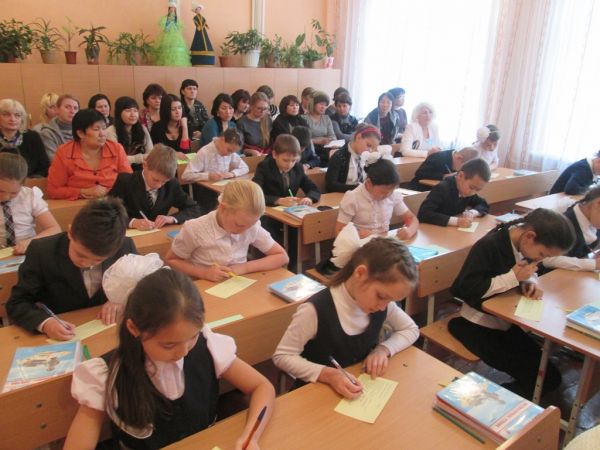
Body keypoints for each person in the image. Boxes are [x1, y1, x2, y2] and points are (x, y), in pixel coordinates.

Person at [64, 268, 274, 449]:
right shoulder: (107, 375)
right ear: (133, 328)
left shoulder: (208, 346)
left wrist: (251, 436)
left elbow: (262, 387)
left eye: (192, 337)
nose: (183, 352)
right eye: (169, 345)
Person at [449, 208, 575, 398]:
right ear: (529, 236)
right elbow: (467, 289)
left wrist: (528, 282)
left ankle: (514, 396)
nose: (540, 259)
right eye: (542, 254)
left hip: (504, 322)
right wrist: (513, 278)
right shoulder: (489, 246)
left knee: (549, 378)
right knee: (540, 381)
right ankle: (493, 402)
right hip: (475, 324)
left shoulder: (523, 244)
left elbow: (527, 270)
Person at [273, 237, 419, 398]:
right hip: (314, 394)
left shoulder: (382, 305)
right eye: (381, 296)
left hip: (356, 391)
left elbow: (411, 329)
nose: (383, 307)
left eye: (390, 301)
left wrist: (383, 350)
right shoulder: (315, 310)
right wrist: (328, 374)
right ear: (360, 274)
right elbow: (282, 356)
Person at [6, 197, 137, 340]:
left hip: (106, 331)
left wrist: (121, 299)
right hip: (60, 334)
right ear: (70, 232)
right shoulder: (42, 251)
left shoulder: (125, 247)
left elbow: (140, 287)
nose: (87, 264)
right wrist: (45, 323)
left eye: (98, 260)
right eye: (80, 254)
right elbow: (18, 302)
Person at [165, 179, 288, 281]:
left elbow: (282, 256)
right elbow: (171, 260)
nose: (244, 231)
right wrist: (204, 273)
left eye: (250, 226)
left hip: (236, 286)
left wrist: (244, 268)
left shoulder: (250, 225)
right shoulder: (195, 228)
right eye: (238, 225)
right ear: (223, 208)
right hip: (203, 287)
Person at [109, 144, 201, 230]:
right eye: (155, 180)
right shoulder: (125, 181)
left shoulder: (171, 184)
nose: (159, 185)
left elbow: (193, 208)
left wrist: (172, 218)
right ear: (145, 165)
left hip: (156, 235)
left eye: (164, 182)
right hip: (128, 236)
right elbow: (107, 213)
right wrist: (132, 222)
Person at [47, 109, 132, 200]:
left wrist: (110, 192)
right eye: (96, 129)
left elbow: (129, 183)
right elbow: (53, 190)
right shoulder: (64, 152)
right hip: (77, 205)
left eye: (104, 128)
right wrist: (82, 191)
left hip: (113, 202)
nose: (102, 134)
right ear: (80, 133)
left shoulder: (116, 149)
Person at [336, 158, 419, 240]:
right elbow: (339, 231)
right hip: (359, 245)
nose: (387, 195)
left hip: (382, 243)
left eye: (391, 191)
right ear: (369, 183)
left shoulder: (392, 195)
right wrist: (357, 235)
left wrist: (409, 231)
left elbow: (411, 218)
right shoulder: (353, 197)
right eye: (383, 192)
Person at [0, 153, 60, 255]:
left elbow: (54, 229)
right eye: (0, 191)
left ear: (23, 184)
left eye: (14, 193)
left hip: (27, 252)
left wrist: (30, 242)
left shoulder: (29, 196)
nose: (5, 197)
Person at [182, 128, 247, 213]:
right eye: (229, 150)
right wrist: (208, 176)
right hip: (206, 193)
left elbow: (245, 168)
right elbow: (186, 175)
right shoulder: (204, 152)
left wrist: (232, 173)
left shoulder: (230, 152)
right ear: (222, 139)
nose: (229, 154)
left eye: (232, 152)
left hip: (222, 190)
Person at [418, 158, 491, 227]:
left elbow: (483, 204)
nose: (473, 193)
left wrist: (472, 213)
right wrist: (456, 221)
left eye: (478, 190)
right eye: (472, 187)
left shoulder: (468, 191)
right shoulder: (442, 188)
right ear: (460, 176)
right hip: (433, 230)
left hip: (450, 231)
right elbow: (424, 214)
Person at [253, 134, 321, 207]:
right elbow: (255, 194)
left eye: (293, 160)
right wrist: (278, 200)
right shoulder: (264, 167)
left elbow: (314, 189)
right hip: (268, 209)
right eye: (285, 160)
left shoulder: (298, 168)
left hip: (290, 209)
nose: (289, 165)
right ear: (274, 154)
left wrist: (309, 198)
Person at [542, 185, 600, 272]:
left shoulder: (593, 219)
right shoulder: (563, 223)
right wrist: (593, 264)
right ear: (598, 204)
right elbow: (547, 259)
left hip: (576, 274)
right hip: (551, 275)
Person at [0, 98, 50, 177]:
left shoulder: (32, 137)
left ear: (22, 119)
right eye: (6, 114)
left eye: (17, 115)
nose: (12, 119)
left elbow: (44, 167)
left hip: (29, 182)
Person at [326, 124, 381, 193]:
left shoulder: (369, 157)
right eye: (368, 145)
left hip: (364, 195)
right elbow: (330, 185)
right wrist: (359, 188)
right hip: (345, 195)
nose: (370, 151)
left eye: (373, 148)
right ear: (358, 137)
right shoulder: (339, 156)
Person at [106, 96, 153, 170]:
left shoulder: (142, 128)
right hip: (120, 169)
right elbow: (116, 158)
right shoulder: (110, 131)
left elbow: (151, 151)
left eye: (135, 110)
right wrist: (139, 158)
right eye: (128, 111)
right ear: (119, 113)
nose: (133, 114)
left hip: (142, 168)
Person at [409, 147, 479, 191]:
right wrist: (443, 176)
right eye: (462, 167)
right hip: (419, 189)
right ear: (459, 158)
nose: (460, 170)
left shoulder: (457, 160)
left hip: (441, 191)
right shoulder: (438, 157)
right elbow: (420, 173)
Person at [39, 94, 80, 162]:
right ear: (57, 109)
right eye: (67, 107)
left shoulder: (83, 129)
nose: (72, 111)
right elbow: (55, 160)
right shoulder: (47, 133)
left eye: (75, 108)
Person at [302, 91, 336, 166]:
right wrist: (317, 141)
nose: (323, 107)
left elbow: (333, 137)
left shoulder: (326, 118)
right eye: (321, 104)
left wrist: (329, 141)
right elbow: (302, 140)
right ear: (313, 104)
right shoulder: (304, 118)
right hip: (310, 152)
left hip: (325, 150)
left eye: (325, 105)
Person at [154, 0, 191, 67]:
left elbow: (179, 25)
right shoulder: (166, 17)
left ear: (175, 9)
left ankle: (177, 62)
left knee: (177, 47)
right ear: (169, 9)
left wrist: (175, 24)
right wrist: (168, 23)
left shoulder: (176, 18)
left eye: (173, 8)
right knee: (166, 47)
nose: (172, 9)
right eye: (171, 8)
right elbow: (162, 23)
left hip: (175, 33)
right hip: (167, 32)